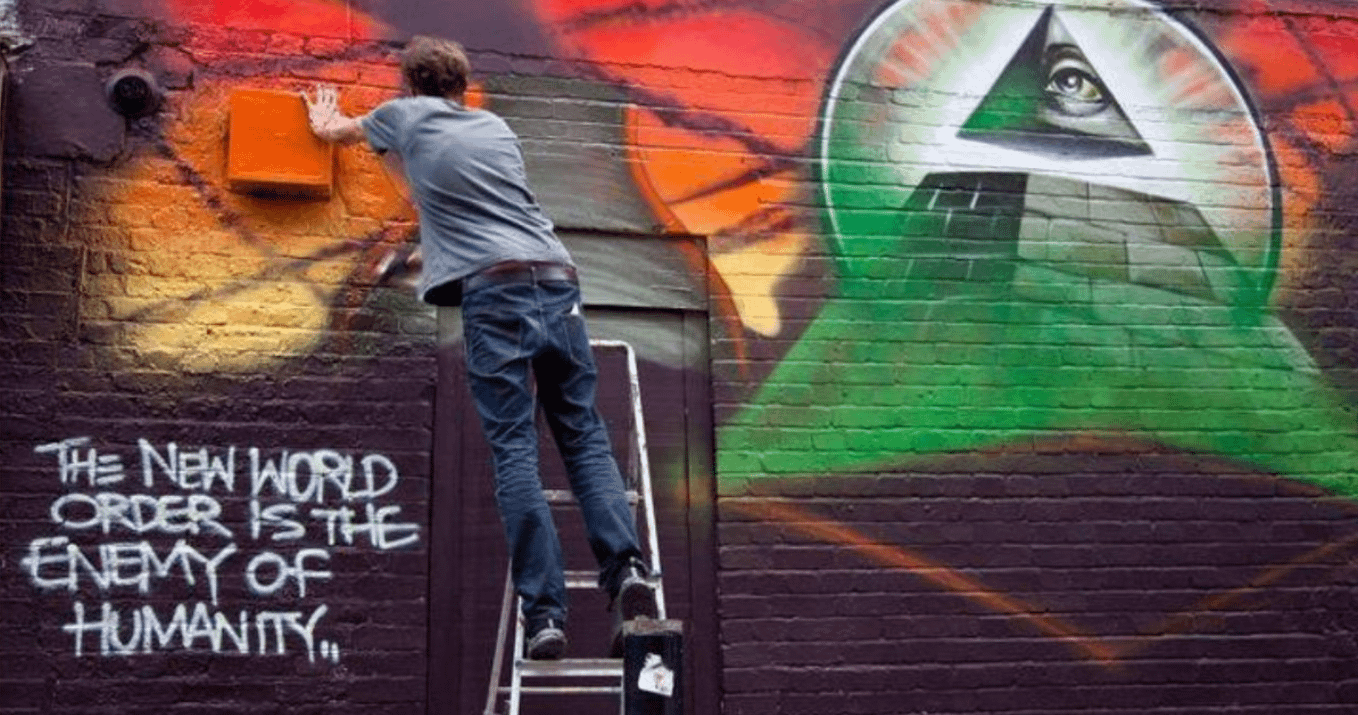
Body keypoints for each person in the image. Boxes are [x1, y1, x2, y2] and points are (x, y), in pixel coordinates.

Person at [304, 35, 655, 660]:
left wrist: (323, 118)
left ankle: (545, 615)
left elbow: (338, 132)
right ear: (462, 87)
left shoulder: (403, 115)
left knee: (515, 449)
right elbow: (489, 220)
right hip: (557, 279)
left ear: (411, 84)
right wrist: (422, 260)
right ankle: (626, 569)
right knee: (583, 435)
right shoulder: (495, 128)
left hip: (497, 298)